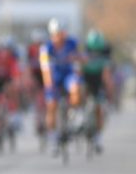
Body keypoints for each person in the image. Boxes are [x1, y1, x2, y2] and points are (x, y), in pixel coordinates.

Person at [39, 18, 83, 153]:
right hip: (54, 76)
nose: (59, 37)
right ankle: (53, 137)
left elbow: (78, 62)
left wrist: (77, 68)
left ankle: (74, 113)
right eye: (56, 34)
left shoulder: (72, 43)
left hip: (68, 74)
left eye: (61, 33)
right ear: (52, 34)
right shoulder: (46, 48)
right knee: (51, 105)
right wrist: (50, 85)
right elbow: (46, 70)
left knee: (75, 88)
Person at [80, 29, 114, 152]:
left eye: (97, 50)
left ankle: (98, 136)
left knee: (99, 107)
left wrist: (110, 93)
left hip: (99, 79)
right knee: (79, 91)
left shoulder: (106, 53)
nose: (95, 52)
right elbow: (78, 70)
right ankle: (78, 114)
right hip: (86, 78)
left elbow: (107, 76)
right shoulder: (83, 52)